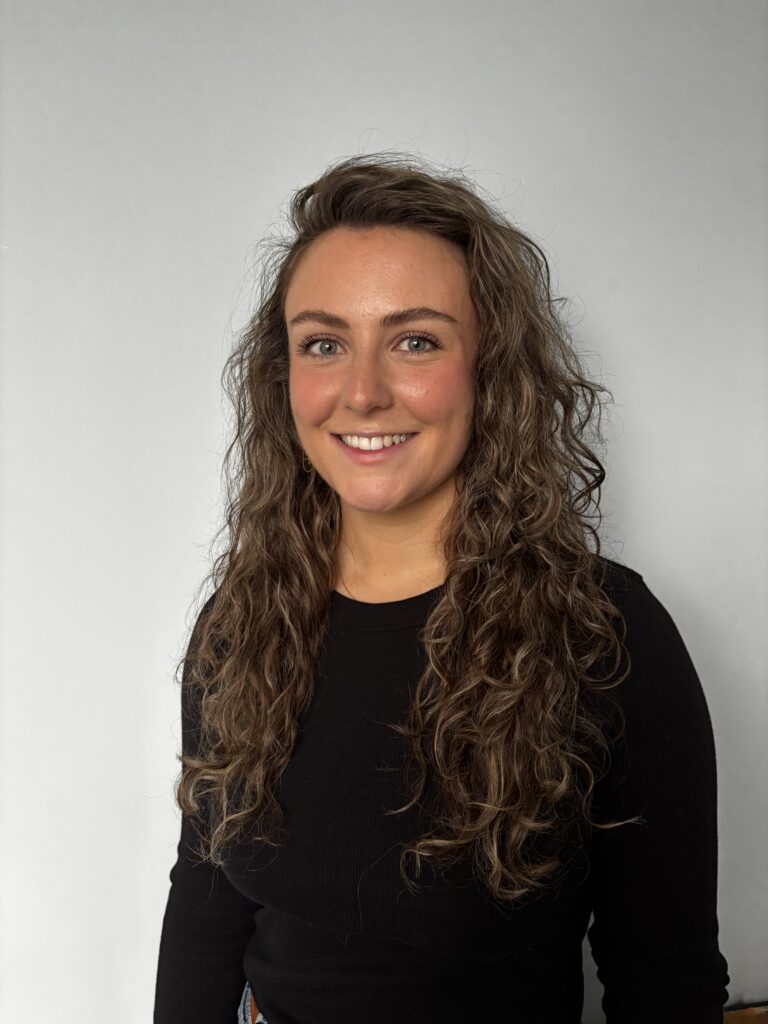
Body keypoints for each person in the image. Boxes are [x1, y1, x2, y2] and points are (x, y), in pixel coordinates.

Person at [152, 152, 730, 1024]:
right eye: (324, 343)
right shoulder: (240, 628)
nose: (363, 391)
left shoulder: (606, 635)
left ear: (490, 367)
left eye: (414, 340)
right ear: (284, 376)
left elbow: (666, 979)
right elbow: (204, 911)